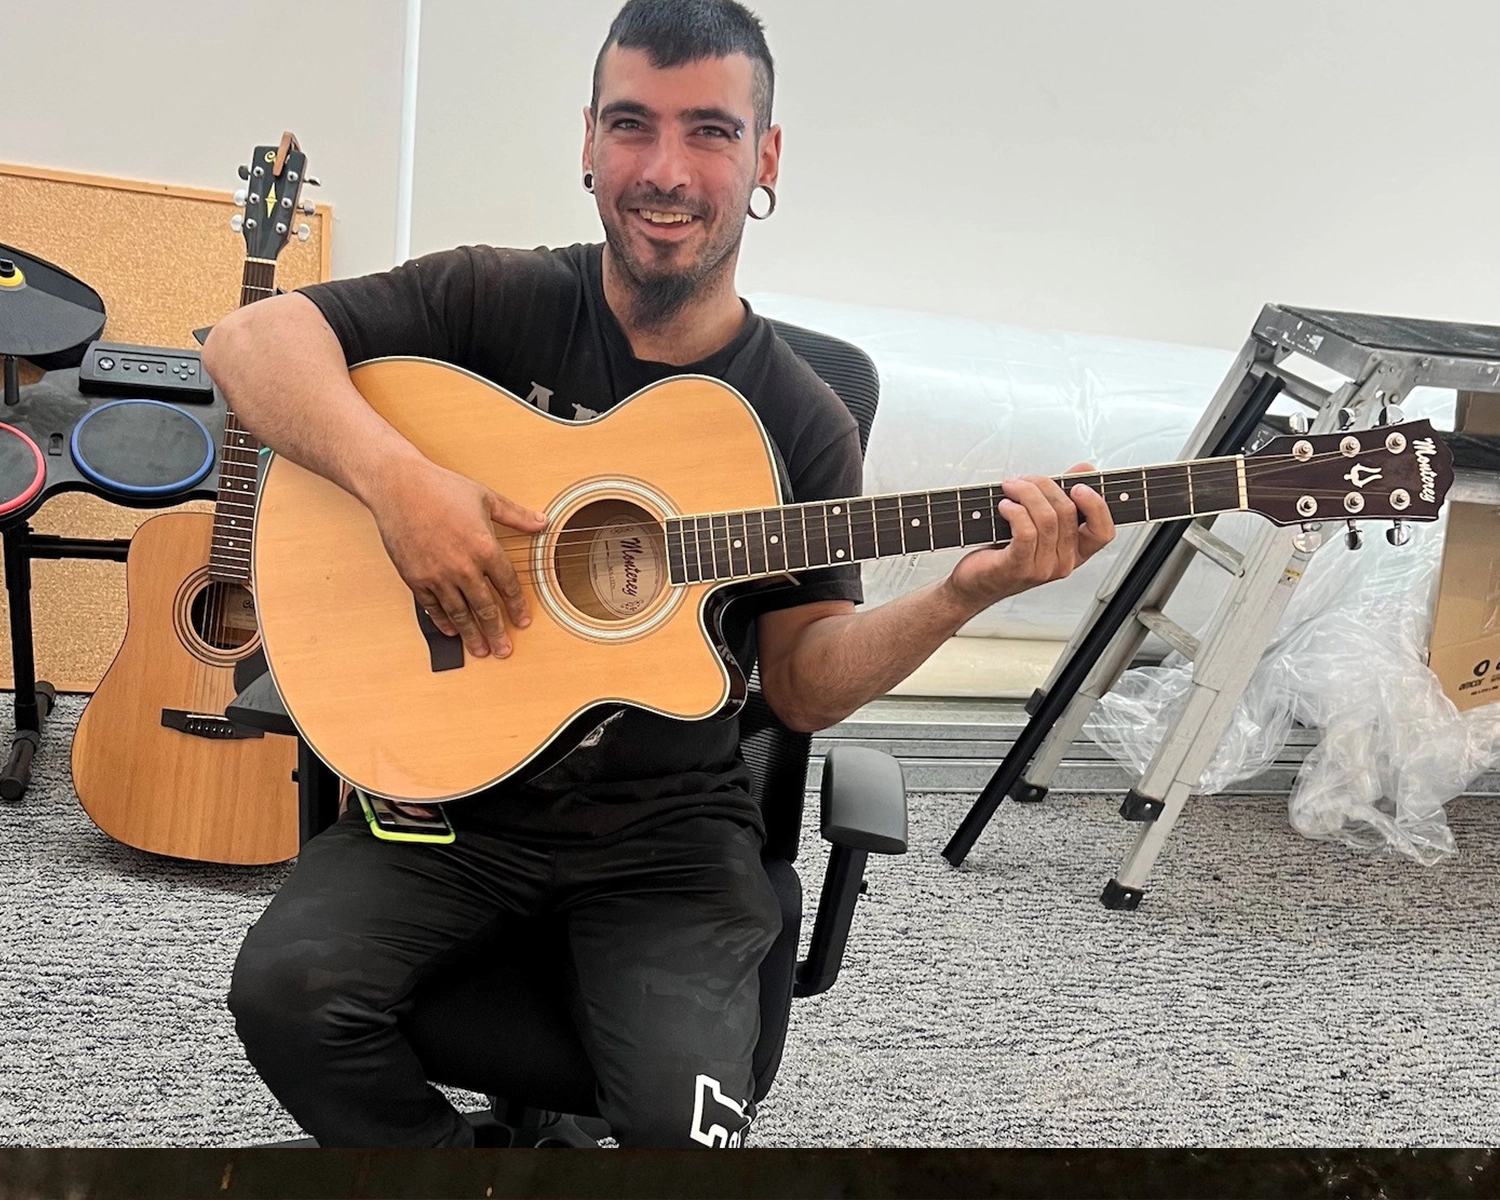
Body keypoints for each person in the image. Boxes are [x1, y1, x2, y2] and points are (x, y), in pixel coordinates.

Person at [205, 0, 1115, 1149]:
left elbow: (802, 687)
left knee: (687, 1140)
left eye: (711, 132)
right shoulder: (494, 300)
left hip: (669, 838)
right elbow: (247, 346)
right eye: (632, 124)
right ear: (588, 141)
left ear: (766, 158)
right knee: (285, 1001)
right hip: (452, 801)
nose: (666, 172)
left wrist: (962, 594)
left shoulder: (800, 421)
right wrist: (403, 489)